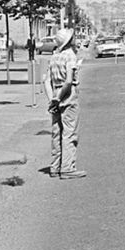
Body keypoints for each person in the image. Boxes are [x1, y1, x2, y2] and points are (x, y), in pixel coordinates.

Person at [42, 28, 85, 179]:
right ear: (69, 41)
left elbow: (46, 80)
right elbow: (68, 81)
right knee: (69, 131)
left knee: (56, 132)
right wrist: (60, 98)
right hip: (67, 94)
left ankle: (55, 166)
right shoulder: (70, 56)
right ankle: (67, 168)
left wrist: (52, 100)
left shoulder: (54, 56)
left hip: (54, 93)